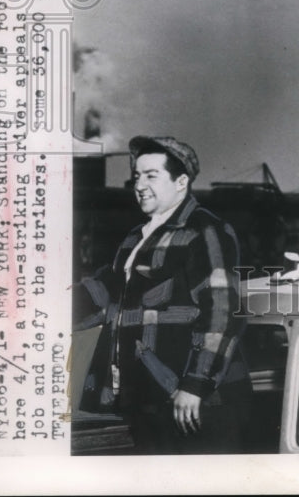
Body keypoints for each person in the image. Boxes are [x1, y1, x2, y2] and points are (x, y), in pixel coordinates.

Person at [73, 135, 251, 453]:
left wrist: (195, 385)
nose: (139, 184)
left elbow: (222, 311)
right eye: (137, 176)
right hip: (147, 397)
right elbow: (101, 294)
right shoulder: (135, 239)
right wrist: (35, 307)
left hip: (196, 400)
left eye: (151, 175)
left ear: (181, 181)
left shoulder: (204, 231)